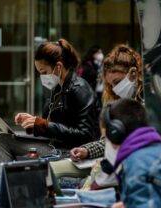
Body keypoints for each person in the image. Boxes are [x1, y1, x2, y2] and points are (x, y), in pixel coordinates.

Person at [0, 38, 99, 176]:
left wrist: (44, 125)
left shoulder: (80, 89)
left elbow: (86, 135)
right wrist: (33, 123)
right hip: (54, 144)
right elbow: (51, 125)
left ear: (58, 66)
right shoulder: (57, 89)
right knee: (2, 139)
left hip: (68, 151)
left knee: (3, 142)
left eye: (43, 72)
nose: (42, 77)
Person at [51, 44, 143, 180]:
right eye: (111, 85)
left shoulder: (149, 104)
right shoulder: (122, 105)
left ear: (133, 74)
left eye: (117, 82)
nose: (115, 89)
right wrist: (87, 150)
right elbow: (108, 140)